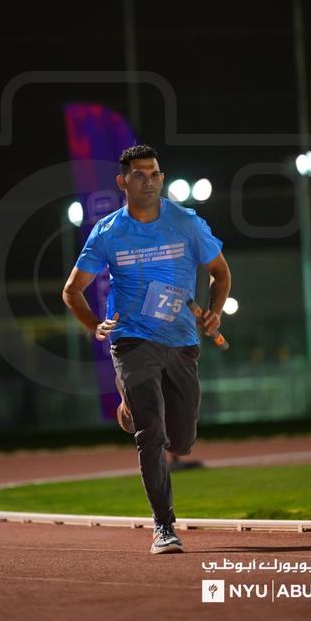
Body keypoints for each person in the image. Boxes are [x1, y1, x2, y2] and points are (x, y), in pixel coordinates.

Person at [62, 144, 231, 554]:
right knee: (151, 431)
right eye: (138, 175)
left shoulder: (185, 222)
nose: (148, 181)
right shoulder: (108, 232)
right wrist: (95, 325)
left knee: (181, 441)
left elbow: (220, 273)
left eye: (154, 174)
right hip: (132, 340)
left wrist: (214, 311)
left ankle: (128, 411)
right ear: (122, 182)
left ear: (162, 178)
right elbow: (72, 291)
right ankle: (163, 525)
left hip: (181, 342)